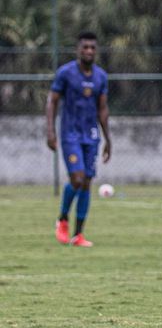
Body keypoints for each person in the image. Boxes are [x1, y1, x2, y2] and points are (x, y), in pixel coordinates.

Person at [46, 31, 111, 248]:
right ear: (78, 49)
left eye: (93, 47)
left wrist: (108, 139)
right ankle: (62, 219)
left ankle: (78, 235)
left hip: (91, 136)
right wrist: (50, 131)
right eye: (85, 47)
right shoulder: (65, 73)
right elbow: (52, 102)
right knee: (77, 178)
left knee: (87, 183)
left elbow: (102, 109)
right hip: (70, 134)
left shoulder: (101, 76)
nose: (89, 51)